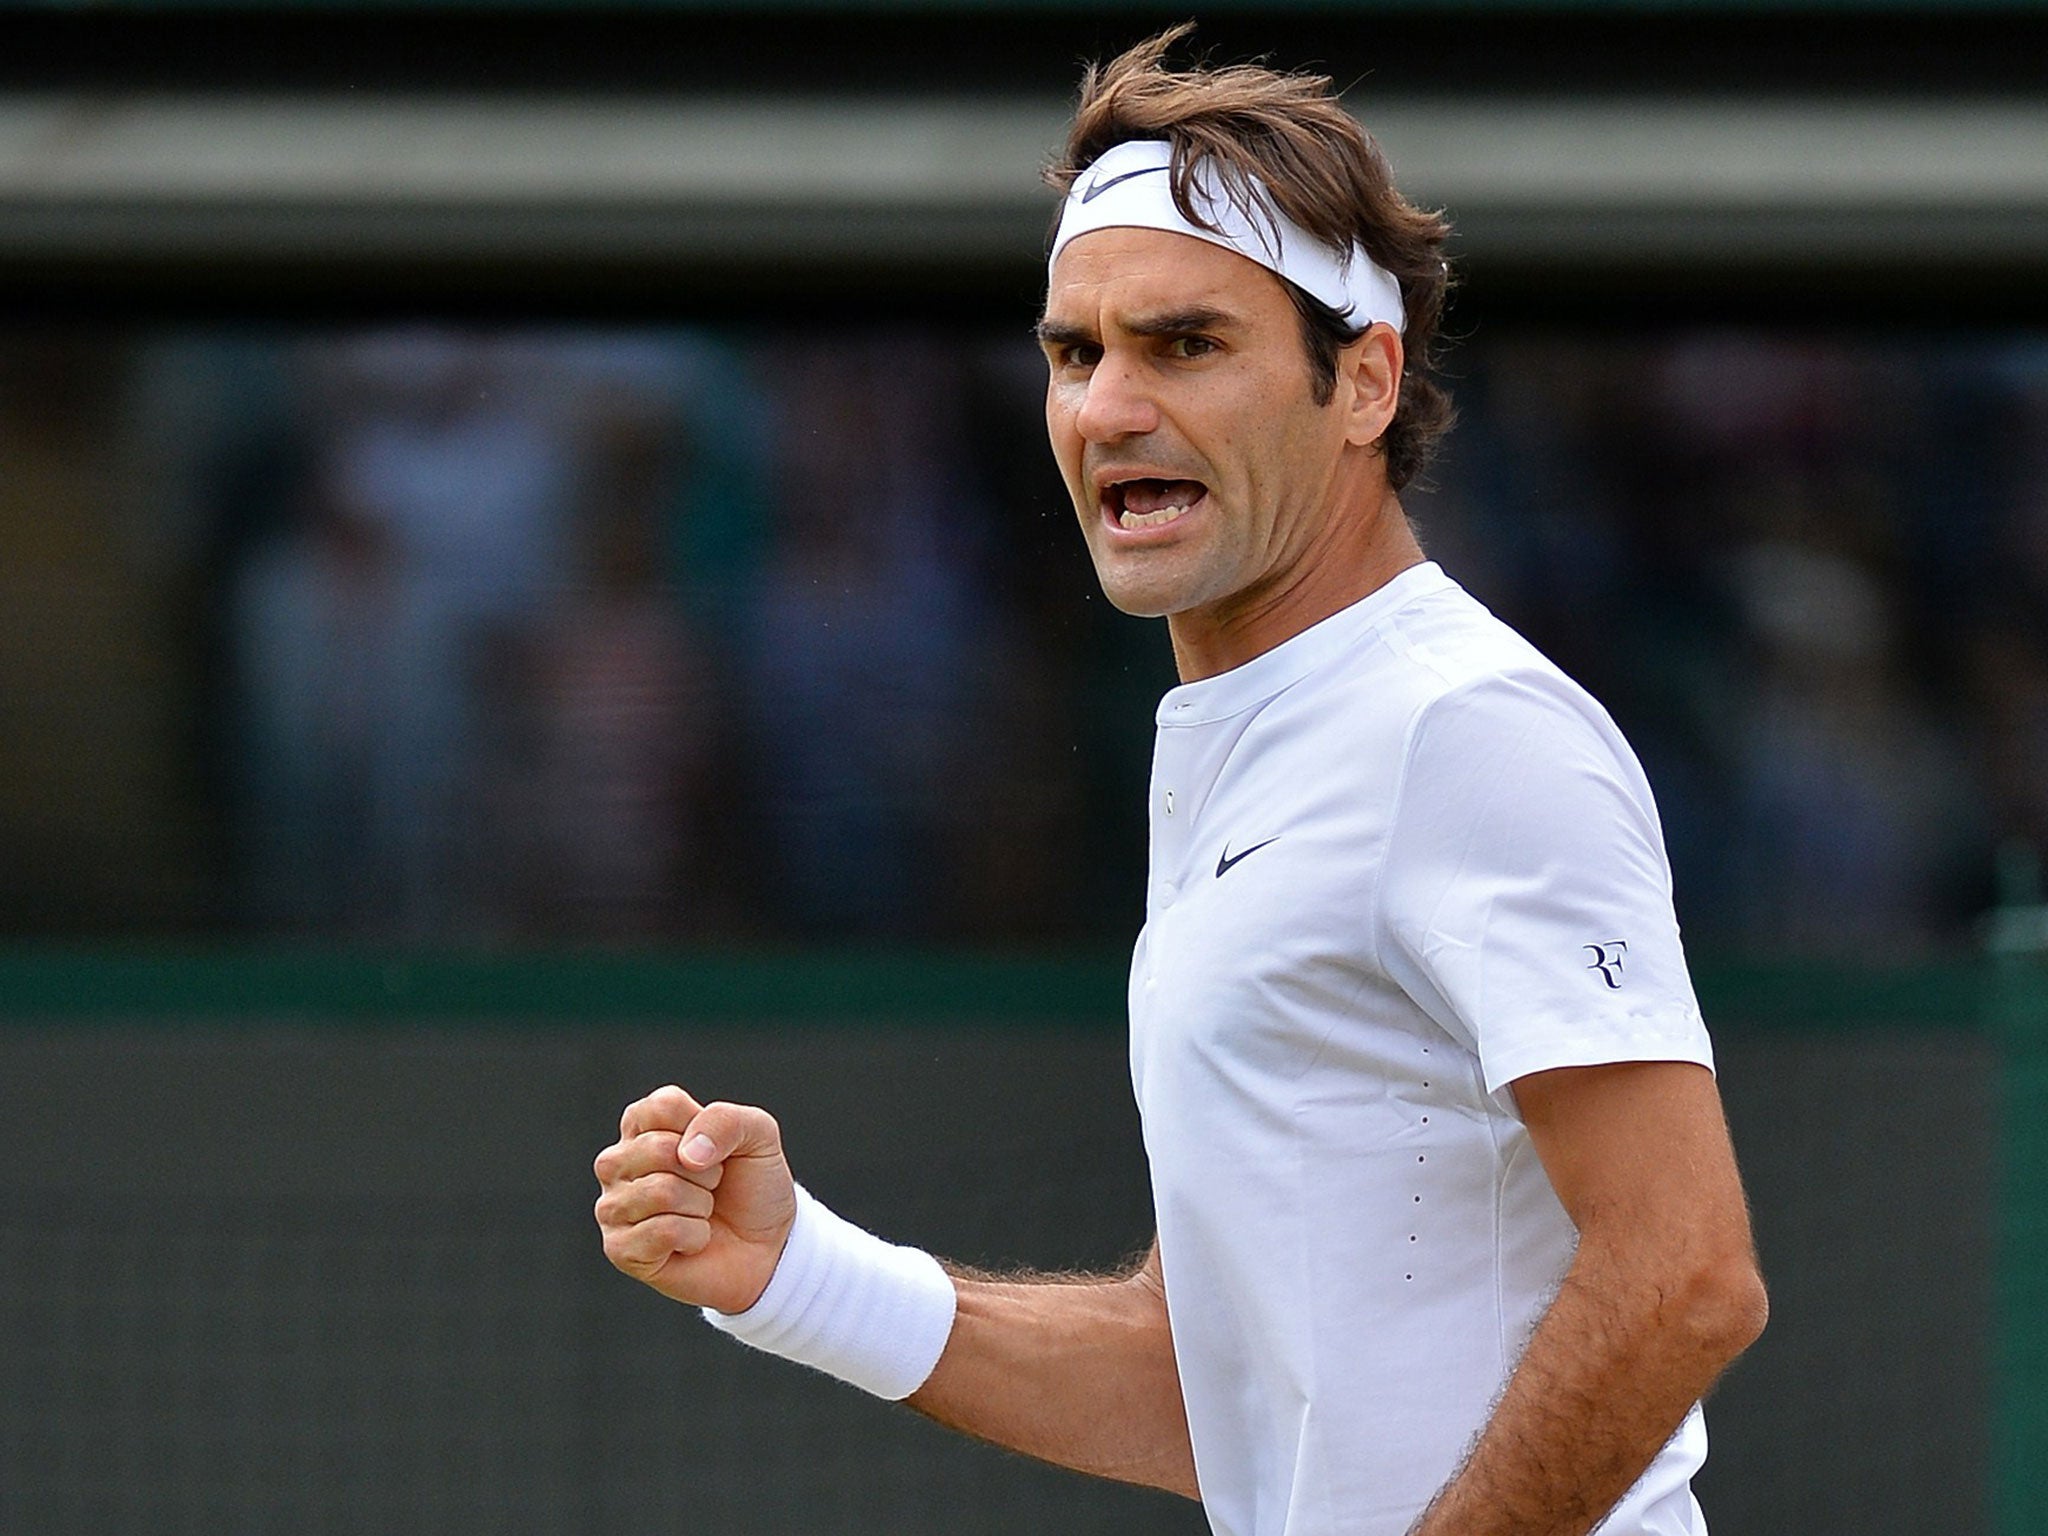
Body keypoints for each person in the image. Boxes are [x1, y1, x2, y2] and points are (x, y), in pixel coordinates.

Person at [592, 27, 1767, 1536]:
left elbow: (1685, 1276)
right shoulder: (1255, 745)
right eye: (1076, 353)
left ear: (1363, 381)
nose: (1107, 407)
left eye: (1185, 344)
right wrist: (796, 1274)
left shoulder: (1462, 728)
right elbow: (1213, 1382)